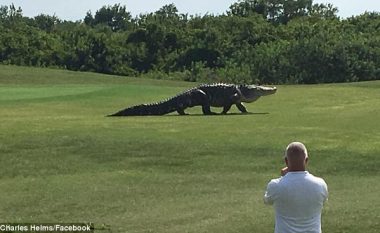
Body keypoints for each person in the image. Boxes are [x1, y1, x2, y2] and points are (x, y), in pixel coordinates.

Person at [264, 142, 328, 233]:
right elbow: (323, 201)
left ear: (286, 161)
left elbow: (267, 200)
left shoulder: (275, 185)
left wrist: (283, 178)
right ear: (306, 160)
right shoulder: (320, 184)